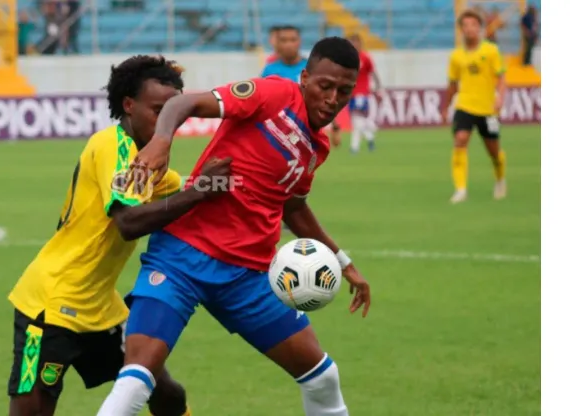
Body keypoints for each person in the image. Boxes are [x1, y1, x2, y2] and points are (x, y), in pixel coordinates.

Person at [96, 36, 372, 416]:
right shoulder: (272, 93)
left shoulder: (317, 147)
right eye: (325, 86)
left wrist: (344, 263)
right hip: (181, 259)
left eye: (344, 91)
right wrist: (162, 140)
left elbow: (293, 206)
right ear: (305, 78)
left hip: (249, 277)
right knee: (136, 380)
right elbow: (183, 101)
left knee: (322, 378)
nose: (333, 99)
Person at [6, 55, 231, 416]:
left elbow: (192, 193)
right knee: (31, 410)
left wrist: (239, 182)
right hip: (47, 309)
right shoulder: (113, 146)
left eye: (175, 113)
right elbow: (128, 222)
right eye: (158, 110)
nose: (167, 124)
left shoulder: (152, 165)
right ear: (129, 105)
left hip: (101, 310)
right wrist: (199, 192)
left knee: (164, 392)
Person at [442, 9, 507, 204]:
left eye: (473, 25)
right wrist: (445, 106)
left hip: (487, 109)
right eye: (466, 26)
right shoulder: (456, 56)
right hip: (464, 106)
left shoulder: (491, 51)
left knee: (494, 151)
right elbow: (453, 84)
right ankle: (460, 189)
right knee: (460, 139)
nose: (470, 29)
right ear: (461, 30)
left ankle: (500, 179)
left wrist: (500, 97)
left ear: (480, 28)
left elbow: (501, 77)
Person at [347, 34, 382, 154]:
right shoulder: (346, 59)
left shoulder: (365, 57)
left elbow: (373, 73)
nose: (354, 46)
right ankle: (370, 138)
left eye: (356, 43)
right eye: (351, 43)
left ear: (360, 44)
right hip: (350, 95)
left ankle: (354, 147)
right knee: (358, 120)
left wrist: (379, 87)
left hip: (361, 94)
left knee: (357, 121)